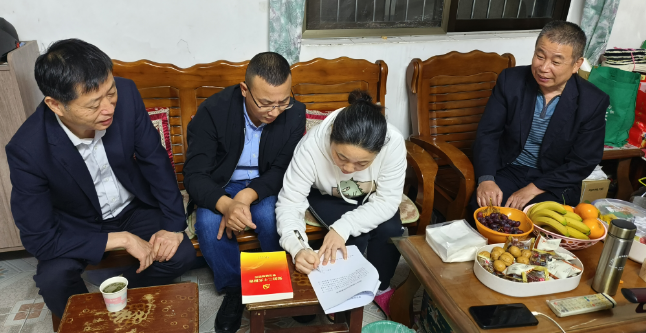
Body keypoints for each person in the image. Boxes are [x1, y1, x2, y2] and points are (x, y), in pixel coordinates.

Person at [7, 39, 195, 319]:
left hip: (132, 208)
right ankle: (91, 320)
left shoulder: (127, 94)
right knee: (53, 279)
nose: (108, 108)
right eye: (94, 105)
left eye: (111, 93)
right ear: (56, 105)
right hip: (77, 223)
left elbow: (154, 160)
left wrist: (172, 225)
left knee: (180, 253)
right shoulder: (28, 149)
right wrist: (122, 240)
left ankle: (120, 297)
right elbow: (39, 240)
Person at [183, 52, 305, 333]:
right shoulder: (213, 111)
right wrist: (227, 204)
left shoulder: (295, 112)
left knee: (270, 218)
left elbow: (282, 170)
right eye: (265, 103)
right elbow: (195, 175)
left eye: (282, 102)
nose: (274, 112)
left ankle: (277, 280)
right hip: (220, 185)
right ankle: (235, 289)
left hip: (264, 184)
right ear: (244, 89)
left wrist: (246, 196)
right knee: (209, 225)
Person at [275, 90, 407, 316]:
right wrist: (298, 248)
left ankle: (381, 287)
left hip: (371, 195)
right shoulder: (311, 147)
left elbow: (387, 200)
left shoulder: (392, 142)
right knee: (355, 238)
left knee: (391, 229)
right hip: (327, 195)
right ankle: (340, 292)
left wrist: (342, 227)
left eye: (362, 164)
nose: (348, 169)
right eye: (341, 157)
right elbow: (290, 202)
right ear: (331, 137)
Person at [470, 21, 610, 212]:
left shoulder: (593, 101)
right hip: (508, 170)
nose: (543, 68)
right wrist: (486, 179)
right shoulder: (510, 81)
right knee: (485, 211)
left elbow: (583, 161)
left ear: (576, 64)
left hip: (554, 179)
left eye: (556, 62)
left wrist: (534, 188)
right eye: (540, 56)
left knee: (540, 221)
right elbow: (488, 133)